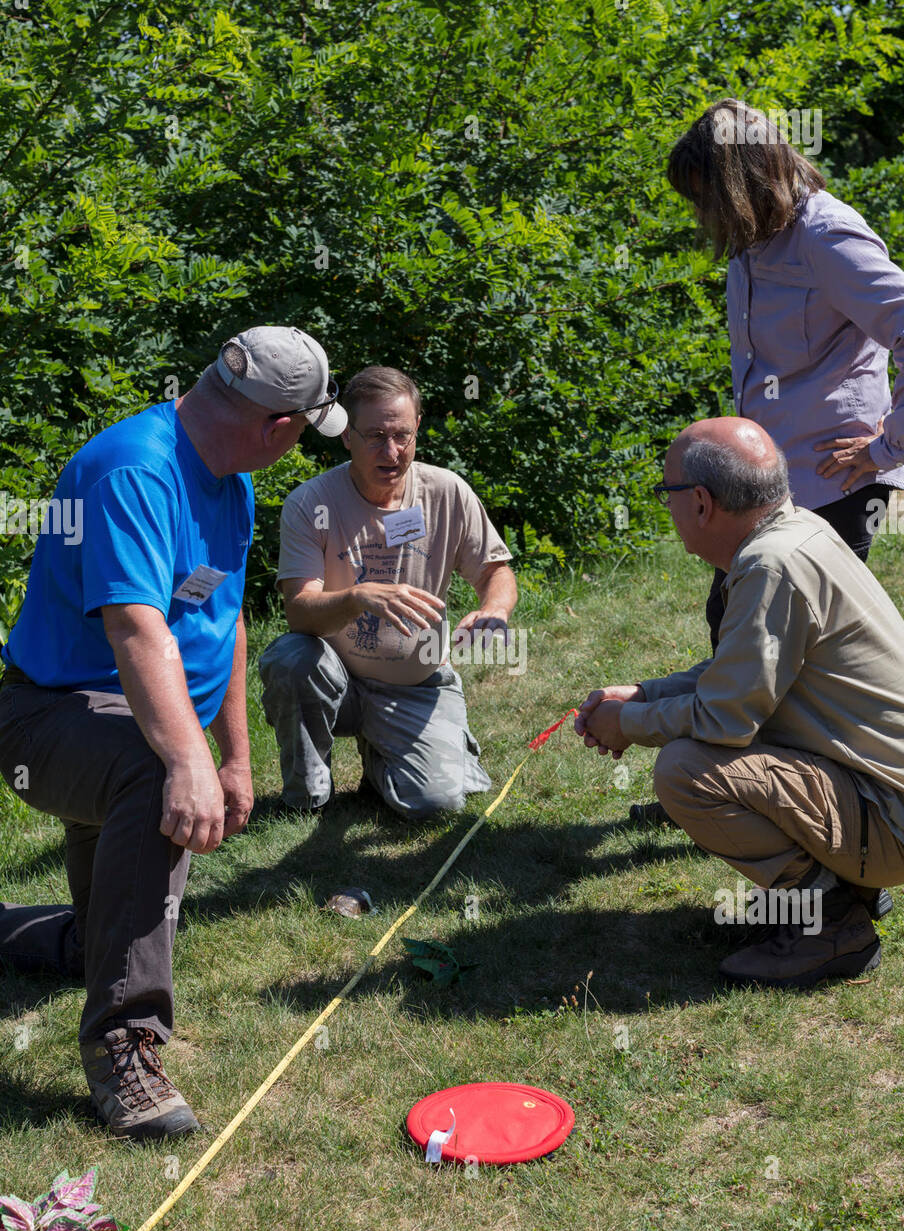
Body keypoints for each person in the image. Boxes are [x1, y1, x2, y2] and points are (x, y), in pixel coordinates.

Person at [0, 325, 346, 1140]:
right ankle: (123, 1045)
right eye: (301, 434)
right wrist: (188, 759)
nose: (298, 449)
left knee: (142, 826)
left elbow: (218, 621)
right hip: (46, 716)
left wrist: (233, 754)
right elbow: (136, 631)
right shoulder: (136, 470)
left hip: (139, 717)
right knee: (158, 781)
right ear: (276, 426)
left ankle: (51, 935)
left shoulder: (229, 478)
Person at [575, 417, 904, 989]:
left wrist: (626, 722)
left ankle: (829, 923)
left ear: (700, 502)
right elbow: (743, 672)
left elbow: (724, 717)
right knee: (708, 750)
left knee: (686, 771)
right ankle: (842, 887)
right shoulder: (797, 534)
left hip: (899, 820)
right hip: (901, 801)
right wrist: (647, 694)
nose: (667, 508)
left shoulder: (770, 565)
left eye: (665, 494)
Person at [667, 99, 904, 646]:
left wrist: (891, 446)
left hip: (834, 478)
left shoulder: (826, 237)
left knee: (788, 635)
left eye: (707, 198)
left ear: (743, 182)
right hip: (774, 477)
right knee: (733, 617)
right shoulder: (753, 239)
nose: (702, 213)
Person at [258, 365, 517, 819]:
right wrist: (359, 598)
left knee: (437, 803)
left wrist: (494, 608)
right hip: (334, 680)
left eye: (403, 436)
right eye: (375, 436)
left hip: (414, 682)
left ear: (417, 427)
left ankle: (384, 759)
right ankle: (307, 796)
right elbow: (298, 613)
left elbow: (495, 569)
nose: (392, 451)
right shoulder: (311, 503)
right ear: (347, 436)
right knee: (289, 658)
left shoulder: (446, 491)